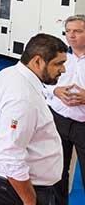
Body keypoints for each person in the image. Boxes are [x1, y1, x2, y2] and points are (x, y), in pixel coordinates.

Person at [0, 33, 68, 205]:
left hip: (3, 176)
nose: (63, 69)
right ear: (37, 61)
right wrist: (29, 200)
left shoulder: (10, 73)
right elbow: (10, 154)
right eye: (58, 63)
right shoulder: (23, 99)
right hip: (16, 186)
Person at [46, 15, 85, 204]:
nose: (71, 35)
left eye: (77, 31)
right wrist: (56, 90)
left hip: (83, 125)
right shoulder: (58, 57)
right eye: (68, 31)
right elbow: (41, 84)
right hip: (59, 120)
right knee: (57, 171)